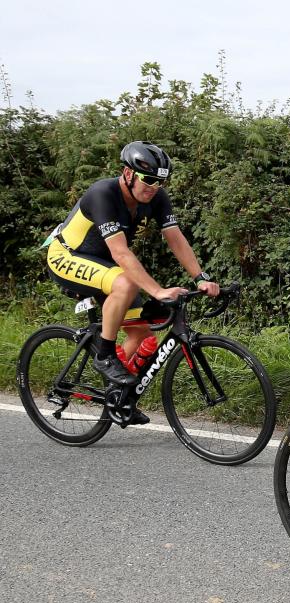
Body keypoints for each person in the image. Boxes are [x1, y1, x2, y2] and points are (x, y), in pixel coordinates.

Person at [45, 141, 219, 422]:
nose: (153, 186)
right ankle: (104, 356)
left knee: (141, 335)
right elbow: (121, 252)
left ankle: (118, 396)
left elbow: (176, 239)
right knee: (126, 283)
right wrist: (158, 291)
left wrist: (200, 277)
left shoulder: (157, 198)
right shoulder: (103, 193)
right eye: (148, 179)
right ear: (127, 173)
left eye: (160, 181)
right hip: (66, 256)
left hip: (105, 265)